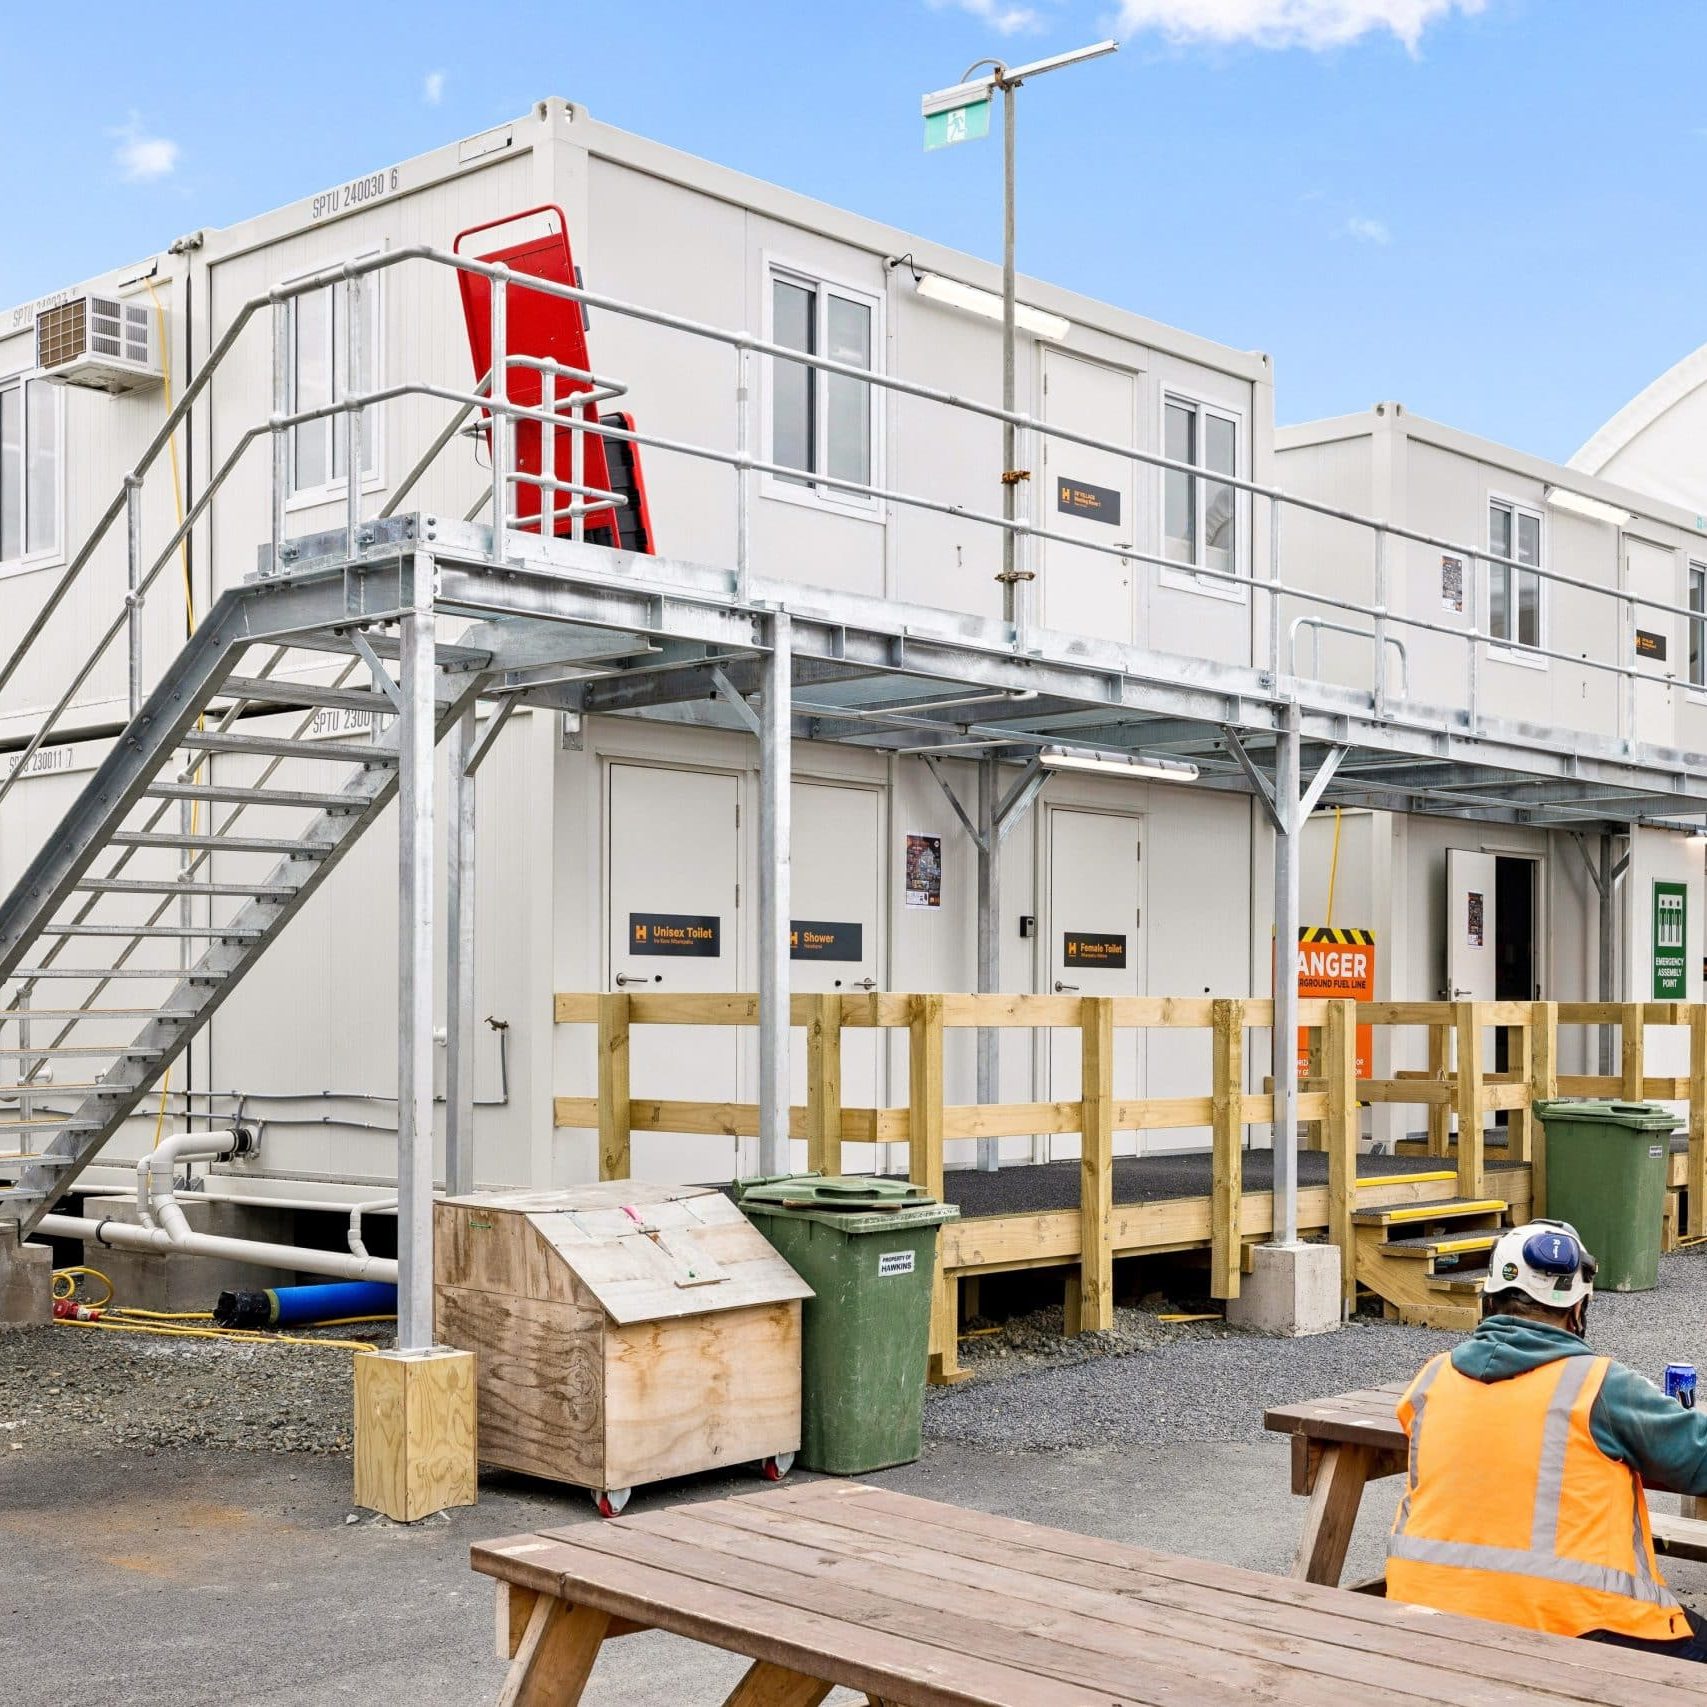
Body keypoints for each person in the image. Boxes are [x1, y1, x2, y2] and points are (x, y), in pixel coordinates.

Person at [1388, 1217, 1707, 1661]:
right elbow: (1698, 1461)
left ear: (1490, 1299)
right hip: (1572, 1628)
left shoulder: (1431, 1379)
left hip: (1420, 1612)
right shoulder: (1601, 1386)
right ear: (1578, 1309)